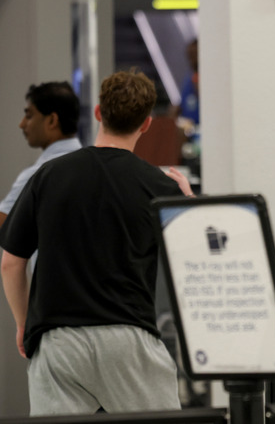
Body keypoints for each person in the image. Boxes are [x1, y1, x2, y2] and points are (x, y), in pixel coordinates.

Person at [0, 70, 193, 416]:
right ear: (146, 124)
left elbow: (11, 262)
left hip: (58, 340)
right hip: (130, 338)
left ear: (98, 113)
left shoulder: (48, 175)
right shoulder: (159, 185)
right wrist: (188, 201)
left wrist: (24, 323)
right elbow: (191, 262)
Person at [0, 82, 83, 229]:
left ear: (52, 120)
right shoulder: (93, 166)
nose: (22, 124)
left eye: (29, 115)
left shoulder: (38, 174)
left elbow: (4, 222)